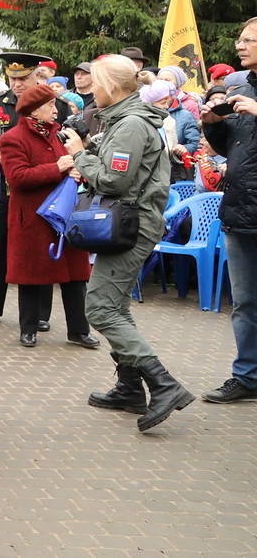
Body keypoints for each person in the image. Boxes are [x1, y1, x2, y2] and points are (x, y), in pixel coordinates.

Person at [64, 55, 194, 431]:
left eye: (95, 81)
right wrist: (86, 150)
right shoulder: (123, 119)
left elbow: (115, 181)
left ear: (112, 87)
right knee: (115, 305)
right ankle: (129, 388)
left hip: (131, 224)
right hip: (129, 221)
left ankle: (163, 384)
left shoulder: (132, 124)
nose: (90, 87)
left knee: (102, 309)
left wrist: (77, 157)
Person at [0, 83, 98, 350]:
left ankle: (79, 330)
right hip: (32, 218)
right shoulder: (13, 138)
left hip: (64, 215)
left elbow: (72, 165)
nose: (56, 110)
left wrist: (76, 171)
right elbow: (17, 178)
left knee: (76, 276)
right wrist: (57, 167)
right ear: (33, 109)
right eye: (50, 105)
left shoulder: (60, 135)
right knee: (31, 276)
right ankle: (28, 329)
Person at [199, 21, 257, 404]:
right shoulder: (241, 87)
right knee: (245, 303)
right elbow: (228, 148)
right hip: (240, 211)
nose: (240, 46)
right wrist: (212, 124)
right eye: (240, 39)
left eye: (249, 40)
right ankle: (247, 377)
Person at [0, 52, 52, 320]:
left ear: (36, 76)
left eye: (24, 78)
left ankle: (41, 314)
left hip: (39, 188)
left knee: (39, 248)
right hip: (3, 187)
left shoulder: (53, 104)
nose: (18, 84)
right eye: (13, 78)